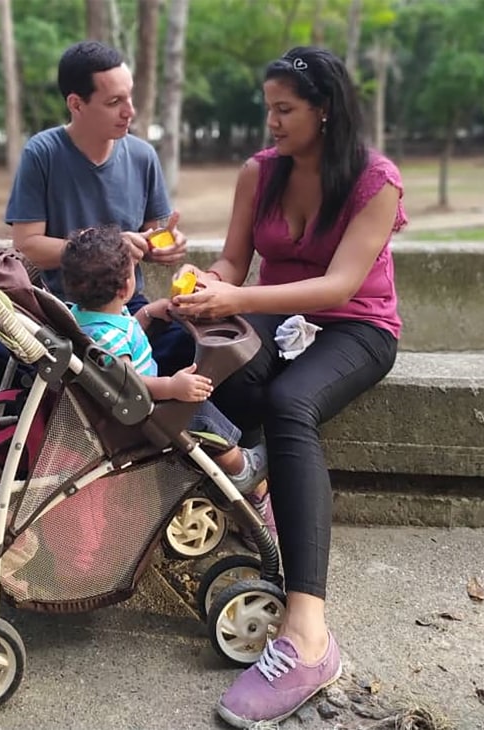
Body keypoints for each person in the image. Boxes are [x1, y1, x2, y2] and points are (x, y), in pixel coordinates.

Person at [172, 46, 407, 726]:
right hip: (279, 321)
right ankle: (266, 480)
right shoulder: (260, 174)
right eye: (267, 108)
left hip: (357, 328)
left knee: (289, 402)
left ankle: (308, 635)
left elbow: (340, 285)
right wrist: (212, 286)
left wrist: (242, 295)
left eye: (285, 110)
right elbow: (235, 258)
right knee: (211, 374)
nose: (271, 122)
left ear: (324, 110)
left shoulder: (375, 180)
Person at [0, 39, 194, 414]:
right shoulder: (43, 153)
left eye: (129, 98)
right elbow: (28, 244)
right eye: (114, 102)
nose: (129, 111)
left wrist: (165, 245)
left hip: (124, 306)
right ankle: (24, 436)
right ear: (76, 104)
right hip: (59, 311)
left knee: (191, 339)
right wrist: (107, 246)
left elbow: (154, 233)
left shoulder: (143, 156)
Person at [61, 224, 267, 496]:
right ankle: (240, 468)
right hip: (142, 413)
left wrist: (147, 314)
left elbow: (120, 342)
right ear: (126, 286)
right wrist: (171, 386)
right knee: (198, 411)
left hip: (131, 403)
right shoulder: (109, 338)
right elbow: (127, 382)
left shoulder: (86, 316)